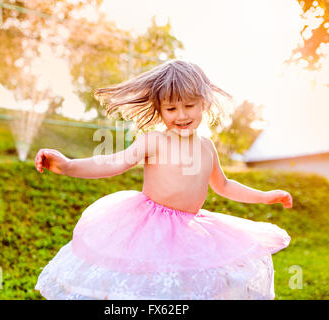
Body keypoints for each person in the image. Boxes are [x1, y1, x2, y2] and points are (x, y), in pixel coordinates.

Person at [34, 60, 292, 300]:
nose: (181, 115)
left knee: (188, 289)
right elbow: (113, 162)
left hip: (190, 232)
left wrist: (265, 196)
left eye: (189, 105)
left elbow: (223, 185)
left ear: (204, 104)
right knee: (149, 290)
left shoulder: (206, 147)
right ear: (159, 110)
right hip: (149, 228)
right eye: (171, 108)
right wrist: (67, 165)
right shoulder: (154, 141)